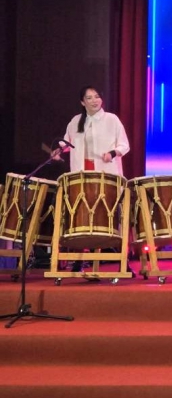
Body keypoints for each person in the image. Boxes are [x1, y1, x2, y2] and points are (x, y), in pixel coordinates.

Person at [53, 87, 132, 274]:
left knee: (110, 215)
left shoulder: (111, 119)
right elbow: (67, 142)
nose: (94, 100)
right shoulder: (75, 121)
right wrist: (59, 150)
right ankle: (79, 258)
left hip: (105, 175)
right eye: (89, 98)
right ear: (82, 102)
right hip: (82, 176)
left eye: (97, 97)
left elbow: (124, 145)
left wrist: (112, 153)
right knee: (82, 217)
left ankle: (123, 259)